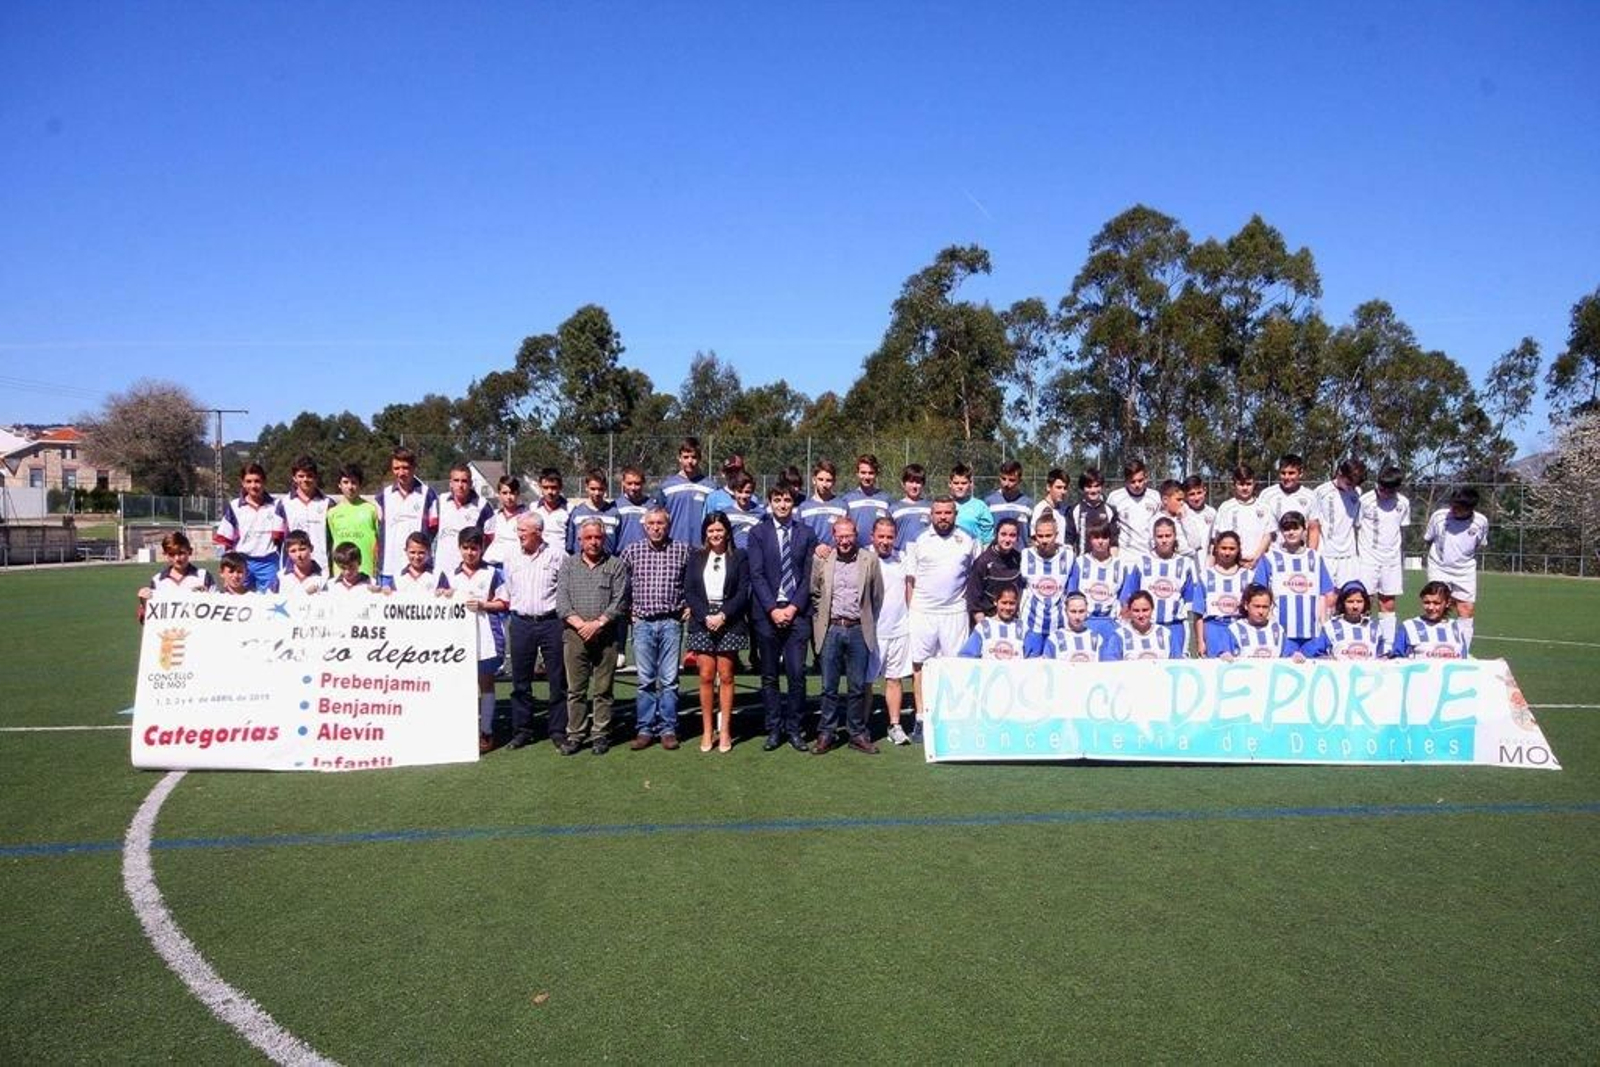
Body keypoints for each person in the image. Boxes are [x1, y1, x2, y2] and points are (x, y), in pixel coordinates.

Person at [747, 484, 816, 751]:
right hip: (767, 615)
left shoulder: (806, 533)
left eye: (787, 500)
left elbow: (809, 575)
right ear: (770, 503)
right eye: (777, 500)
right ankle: (774, 728)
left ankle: (795, 728)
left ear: (793, 503)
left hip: (797, 615)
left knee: (797, 675)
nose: (783, 505)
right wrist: (773, 609)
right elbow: (756, 574)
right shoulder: (757, 533)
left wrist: (793, 608)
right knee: (769, 676)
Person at [905, 496, 979, 743]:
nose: (943, 517)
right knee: (920, 666)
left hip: (955, 613)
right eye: (939, 513)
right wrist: (912, 610)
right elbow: (910, 580)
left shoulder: (968, 540)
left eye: (948, 513)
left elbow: (974, 576)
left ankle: (952, 718)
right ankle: (921, 719)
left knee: (956, 668)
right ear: (931, 514)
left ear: (955, 515)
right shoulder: (918, 540)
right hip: (922, 612)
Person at [620, 504, 693, 749]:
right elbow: (622, 584)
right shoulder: (632, 551)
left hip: (671, 622)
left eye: (660, 523)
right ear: (644, 526)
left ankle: (669, 728)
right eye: (651, 524)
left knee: (670, 680)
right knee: (645, 680)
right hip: (643, 623)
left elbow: (692, 582)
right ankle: (645, 728)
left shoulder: (682, 550)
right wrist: (627, 609)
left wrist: (689, 605)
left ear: (668, 525)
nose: (655, 528)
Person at [810, 516, 885, 754]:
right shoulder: (822, 559)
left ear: (856, 535)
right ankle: (827, 732)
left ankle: (856, 733)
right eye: (840, 536)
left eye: (849, 536)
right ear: (834, 536)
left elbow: (877, 596)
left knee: (856, 687)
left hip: (857, 629)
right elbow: (814, 592)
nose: (844, 541)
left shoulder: (869, 560)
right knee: (829, 687)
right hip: (831, 629)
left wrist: (865, 621)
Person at [557, 517, 629, 755]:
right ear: (579, 540)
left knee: (603, 689)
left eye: (598, 537)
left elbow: (619, 601)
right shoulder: (568, 565)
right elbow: (562, 603)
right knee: (576, 689)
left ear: (604, 538)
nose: (593, 542)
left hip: (606, 635)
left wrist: (597, 624)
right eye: (588, 538)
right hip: (575, 635)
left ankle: (600, 734)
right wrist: (582, 626)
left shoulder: (616, 565)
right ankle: (576, 734)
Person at [500, 511, 567, 749]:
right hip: (520, 623)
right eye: (517, 530)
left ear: (538, 532)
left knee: (558, 680)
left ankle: (558, 731)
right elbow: (509, 589)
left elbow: (565, 589)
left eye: (522, 531)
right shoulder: (511, 557)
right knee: (520, 681)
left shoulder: (558, 556)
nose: (518, 535)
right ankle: (522, 730)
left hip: (551, 622)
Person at [685, 511, 749, 753]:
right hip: (702, 619)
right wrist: (705, 616)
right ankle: (706, 730)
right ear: (705, 533)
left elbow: (743, 592)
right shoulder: (696, 557)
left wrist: (723, 615)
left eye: (719, 529)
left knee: (727, 675)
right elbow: (689, 590)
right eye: (711, 530)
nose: (715, 534)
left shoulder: (739, 557)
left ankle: (725, 731)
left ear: (727, 532)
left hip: (729, 619)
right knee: (705, 676)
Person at [440, 527, 508, 753]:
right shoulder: (450, 575)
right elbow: (437, 604)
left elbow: (504, 603)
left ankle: (486, 731)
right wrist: (444, 597)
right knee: (461, 684)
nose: (470, 553)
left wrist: (483, 605)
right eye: (466, 548)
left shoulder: (493, 573)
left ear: (482, 549)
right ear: (459, 548)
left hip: (486, 635)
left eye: (474, 548)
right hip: (457, 638)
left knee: (486, 682)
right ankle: (463, 730)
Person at [1252, 511, 1332, 656]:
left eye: (1295, 528)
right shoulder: (1270, 558)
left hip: (1311, 631)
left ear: (1304, 530)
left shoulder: (1315, 557)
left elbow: (1324, 594)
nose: (1291, 532)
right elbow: (1259, 593)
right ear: (1281, 532)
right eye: (1287, 529)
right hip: (1282, 631)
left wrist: (1323, 622)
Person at [865, 516, 914, 745]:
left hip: (899, 630)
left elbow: (908, 589)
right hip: (871, 633)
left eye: (890, 537)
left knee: (894, 679)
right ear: (872, 537)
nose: (885, 541)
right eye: (881, 536)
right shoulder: (863, 558)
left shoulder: (902, 559)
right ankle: (862, 726)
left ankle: (894, 725)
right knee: (866, 682)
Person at [1424, 486, 1489, 651]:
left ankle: (1463, 652)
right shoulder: (1439, 517)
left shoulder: (1481, 522)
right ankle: (1432, 648)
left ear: (1470, 509)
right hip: (1439, 566)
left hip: (1464, 570)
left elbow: (1480, 544)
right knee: (1436, 606)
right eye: (1452, 505)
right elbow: (1428, 538)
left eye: (1458, 508)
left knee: (1466, 609)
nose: (1453, 510)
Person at [1358, 465, 1411, 649]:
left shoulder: (1403, 503)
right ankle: (1362, 642)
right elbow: (1356, 525)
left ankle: (1387, 645)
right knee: (1364, 601)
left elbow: (1401, 528)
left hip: (1391, 560)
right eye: (1381, 488)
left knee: (1388, 602)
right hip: (1367, 559)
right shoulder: (1365, 500)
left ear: (1396, 488)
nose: (1383, 492)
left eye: (1388, 490)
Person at [214, 462, 283, 593]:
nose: (253, 485)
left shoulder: (276, 505)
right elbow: (223, 539)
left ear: (264, 481)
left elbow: (282, 536)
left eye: (257, 481)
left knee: (270, 603)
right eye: (249, 481)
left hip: (268, 562)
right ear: (243, 483)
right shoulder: (235, 506)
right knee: (239, 600)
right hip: (242, 562)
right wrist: (225, 566)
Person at [1136, 516, 1199, 657]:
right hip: (1147, 627)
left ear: (1175, 536)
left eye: (1168, 535)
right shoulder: (1141, 562)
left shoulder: (1186, 564)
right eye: (1160, 536)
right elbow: (1131, 597)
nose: (1164, 540)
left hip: (1175, 627)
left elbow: (1189, 601)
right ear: (1154, 538)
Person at [376, 448, 439, 585]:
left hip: (420, 571)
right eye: (396, 468)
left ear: (414, 468)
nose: (401, 472)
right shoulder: (383, 496)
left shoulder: (428, 495)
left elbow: (433, 529)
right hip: (389, 569)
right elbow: (379, 530)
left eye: (405, 468)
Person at [1068, 523, 1138, 643]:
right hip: (1085, 622)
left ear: (1110, 539)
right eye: (1096, 537)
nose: (1100, 541)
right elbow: (1071, 593)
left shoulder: (1121, 566)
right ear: (1090, 540)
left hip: (1110, 623)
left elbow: (1124, 599)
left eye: (1104, 537)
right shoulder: (1080, 563)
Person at [1017, 513, 1074, 656]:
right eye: (1040, 536)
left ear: (1056, 535)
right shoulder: (1025, 555)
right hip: (1031, 625)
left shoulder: (1068, 555)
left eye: (1048, 536)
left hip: (1058, 625)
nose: (1044, 540)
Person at [1191, 531, 1248, 660]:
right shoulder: (1206, 576)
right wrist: (1200, 641)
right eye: (1223, 548)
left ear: (1238, 550)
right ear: (1216, 549)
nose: (1227, 552)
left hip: (1238, 627)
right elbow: (1198, 613)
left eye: (1232, 549)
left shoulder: (1247, 576)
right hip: (1213, 628)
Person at [1312, 458, 1366, 590]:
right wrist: (1312, 553)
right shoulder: (1321, 492)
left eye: (1354, 485)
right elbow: (1314, 525)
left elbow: (1357, 524)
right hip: (1326, 554)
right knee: (1327, 596)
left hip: (1349, 555)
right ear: (1339, 473)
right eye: (1348, 483)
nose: (1351, 488)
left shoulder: (1357, 493)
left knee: (1348, 595)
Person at [137, 530, 213, 622]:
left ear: (190, 551)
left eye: (181, 553)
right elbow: (146, 619)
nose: (177, 558)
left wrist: (208, 597)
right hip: (170, 634)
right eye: (172, 554)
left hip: (197, 632)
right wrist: (144, 601)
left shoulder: (203, 576)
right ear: (165, 554)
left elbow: (218, 608)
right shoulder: (158, 580)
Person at [276, 455, 332, 573]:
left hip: (322, 566)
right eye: (301, 476)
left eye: (309, 476)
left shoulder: (328, 503)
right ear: (294, 478)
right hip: (292, 568)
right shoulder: (283, 504)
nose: (305, 479)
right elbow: (277, 539)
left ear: (316, 477)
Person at [436, 463, 493, 577]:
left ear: (471, 483)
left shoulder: (482, 506)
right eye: (456, 481)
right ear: (450, 483)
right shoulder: (441, 501)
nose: (460, 485)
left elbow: (489, 538)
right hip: (442, 569)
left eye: (464, 481)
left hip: (469, 572)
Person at [1303, 581, 1384, 659]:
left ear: (1365, 603)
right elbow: (1311, 653)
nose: (1355, 606)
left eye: (1359, 601)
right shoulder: (1330, 627)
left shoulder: (1375, 627)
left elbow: (1380, 658)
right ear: (1342, 603)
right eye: (1350, 602)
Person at [1214, 583, 1297, 660]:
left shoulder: (1277, 629)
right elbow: (1223, 653)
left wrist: (1295, 656)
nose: (1261, 611)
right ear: (1246, 605)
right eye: (1257, 606)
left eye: (1265, 607)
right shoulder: (1234, 630)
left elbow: (1289, 654)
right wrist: (1224, 656)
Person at [326, 462, 380, 580]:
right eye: (345, 482)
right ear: (339, 485)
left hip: (366, 572)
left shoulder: (371, 510)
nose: (350, 487)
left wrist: (377, 568)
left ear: (360, 484)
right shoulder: (332, 513)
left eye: (354, 482)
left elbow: (378, 542)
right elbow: (330, 544)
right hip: (341, 573)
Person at [966, 516, 1024, 623]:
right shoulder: (983, 562)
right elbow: (973, 598)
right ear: (996, 535)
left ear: (1017, 538)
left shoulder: (1020, 559)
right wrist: (985, 627)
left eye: (1012, 535)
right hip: (988, 619)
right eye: (1003, 534)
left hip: (1011, 618)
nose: (1007, 539)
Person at [1391, 580, 1469, 659]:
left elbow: (1463, 661)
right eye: (1427, 602)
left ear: (1447, 603)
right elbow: (1396, 660)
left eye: (1436, 603)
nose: (1431, 607)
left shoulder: (1458, 628)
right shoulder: (1409, 627)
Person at [658, 437, 714, 547]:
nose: (690, 461)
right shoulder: (666, 486)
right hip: (673, 547)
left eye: (694, 457)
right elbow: (658, 517)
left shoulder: (711, 487)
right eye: (686, 457)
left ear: (700, 458)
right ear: (679, 458)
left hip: (702, 547)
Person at [1213, 464, 1272, 567]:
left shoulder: (1264, 508)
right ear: (1234, 485)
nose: (1245, 488)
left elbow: (1267, 536)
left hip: (1258, 562)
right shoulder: (1226, 507)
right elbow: (1221, 538)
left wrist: (1256, 557)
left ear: (1254, 484)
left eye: (1249, 484)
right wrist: (1237, 560)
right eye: (1241, 484)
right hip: (1233, 564)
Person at [1044, 592, 1122, 662]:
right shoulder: (1054, 639)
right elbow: (1047, 668)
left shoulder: (1097, 638)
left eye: (1081, 611)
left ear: (1087, 611)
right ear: (1066, 611)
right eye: (1073, 611)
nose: (1077, 617)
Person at [1257, 453, 1316, 545]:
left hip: (1300, 553)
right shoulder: (1267, 495)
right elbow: (1260, 527)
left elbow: (1313, 529)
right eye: (1283, 473)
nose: (1286, 477)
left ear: (1300, 473)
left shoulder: (1310, 496)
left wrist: (1312, 555)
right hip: (1273, 553)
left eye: (1291, 473)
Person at [1107, 460, 1158, 557]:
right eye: (1133, 481)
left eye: (1140, 480)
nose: (1137, 485)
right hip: (1124, 554)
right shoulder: (1115, 497)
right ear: (1126, 481)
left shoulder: (1155, 497)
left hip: (1150, 554)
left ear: (1146, 478)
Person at [959, 587, 1026, 659]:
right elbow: (967, 656)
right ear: (995, 602)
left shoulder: (1023, 628)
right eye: (1004, 603)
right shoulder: (983, 627)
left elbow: (1032, 660)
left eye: (1012, 603)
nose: (1008, 607)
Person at [566, 468, 621, 555]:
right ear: (586, 488)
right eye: (593, 489)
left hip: (607, 564)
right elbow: (570, 545)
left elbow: (618, 544)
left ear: (605, 488)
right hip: (581, 565)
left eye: (600, 489)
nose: (597, 493)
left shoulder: (614, 513)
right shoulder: (577, 513)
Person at [841, 453, 892, 539]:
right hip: (856, 549)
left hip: (878, 550)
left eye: (871, 473)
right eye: (863, 473)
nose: (867, 477)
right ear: (857, 473)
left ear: (876, 474)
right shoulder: (847, 499)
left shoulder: (886, 499)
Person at [1067, 468, 1116, 555]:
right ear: (1082, 488)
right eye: (1089, 487)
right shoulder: (1074, 510)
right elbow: (1069, 542)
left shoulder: (1110, 510)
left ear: (1102, 487)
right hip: (1082, 563)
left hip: (1105, 564)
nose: (1093, 490)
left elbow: (1114, 543)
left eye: (1096, 486)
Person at [798, 459, 847, 546]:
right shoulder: (804, 507)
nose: (824, 484)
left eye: (828, 480)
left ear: (834, 482)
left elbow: (845, 533)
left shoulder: (842, 506)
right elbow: (799, 536)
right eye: (820, 479)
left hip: (834, 555)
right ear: (814, 480)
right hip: (811, 556)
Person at [481, 475, 526, 568]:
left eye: (512, 493)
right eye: (505, 493)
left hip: (515, 565)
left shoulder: (526, 516)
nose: (509, 497)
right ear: (499, 494)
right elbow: (487, 540)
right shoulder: (493, 516)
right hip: (493, 564)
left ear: (518, 494)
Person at [986, 460, 1034, 542]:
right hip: (997, 554)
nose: (1006, 484)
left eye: (1011, 480)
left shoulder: (1028, 504)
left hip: (1020, 553)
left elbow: (1033, 535)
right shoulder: (990, 502)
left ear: (1019, 481)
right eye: (1003, 479)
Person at [948, 463, 995, 546]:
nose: (960, 486)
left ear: (970, 484)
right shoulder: (942, 506)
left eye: (964, 483)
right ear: (950, 484)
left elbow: (987, 538)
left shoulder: (980, 506)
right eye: (956, 483)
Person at [1031, 468, 1077, 551]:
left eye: (1065, 488)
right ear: (1048, 487)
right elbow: (1035, 539)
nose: (1063, 491)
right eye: (1058, 487)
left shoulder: (1067, 509)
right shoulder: (1040, 509)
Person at [1116, 591, 1169, 660]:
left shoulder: (1166, 634)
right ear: (1129, 611)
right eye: (1136, 611)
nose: (1141, 615)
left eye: (1145, 610)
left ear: (1152, 609)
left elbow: (1178, 663)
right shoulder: (1119, 635)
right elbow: (1110, 665)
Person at [531, 468, 571, 557]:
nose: (550, 492)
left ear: (560, 487)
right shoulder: (533, 508)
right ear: (540, 487)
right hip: (539, 559)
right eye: (546, 487)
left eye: (554, 487)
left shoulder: (570, 509)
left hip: (561, 560)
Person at [1179, 475, 1216, 571]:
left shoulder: (1212, 512)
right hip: (1186, 566)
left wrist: (1211, 561)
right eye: (1191, 494)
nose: (1196, 498)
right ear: (1185, 496)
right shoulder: (1181, 512)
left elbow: (1214, 541)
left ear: (1205, 491)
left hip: (1205, 565)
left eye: (1199, 493)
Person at [891, 463, 931, 549]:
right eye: (911, 482)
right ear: (903, 484)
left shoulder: (930, 507)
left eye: (918, 482)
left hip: (924, 555)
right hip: (900, 556)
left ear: (923, 484)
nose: (914, 486)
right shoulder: (894, 508)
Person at [384, 532, 438, 597]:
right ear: (406, 551)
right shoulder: (397, 578)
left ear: (429, 552)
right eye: (412, 552)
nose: (417, 557)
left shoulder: (436, 576)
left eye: (421, 553)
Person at [271, 530, 324, 595]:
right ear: (288, 553)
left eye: (302, 549)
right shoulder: (280, 578)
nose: (298, 555)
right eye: (293, 551)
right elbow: (269, 600)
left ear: (311, 548)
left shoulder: (324, 577)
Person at [723, 471, 766, 550]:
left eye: (747, 492)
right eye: (739, 491)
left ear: (752, 492)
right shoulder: (725, 513)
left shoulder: (762, 513)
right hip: (733, 557)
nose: (743, 496)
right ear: (734, 491)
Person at [703, 453, 746, 518]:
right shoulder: (713, 498)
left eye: (737, 470)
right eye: (730, 471)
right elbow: (706, 526)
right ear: (723, 473)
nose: (733, 474)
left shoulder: (752, 499)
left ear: (743, 472)